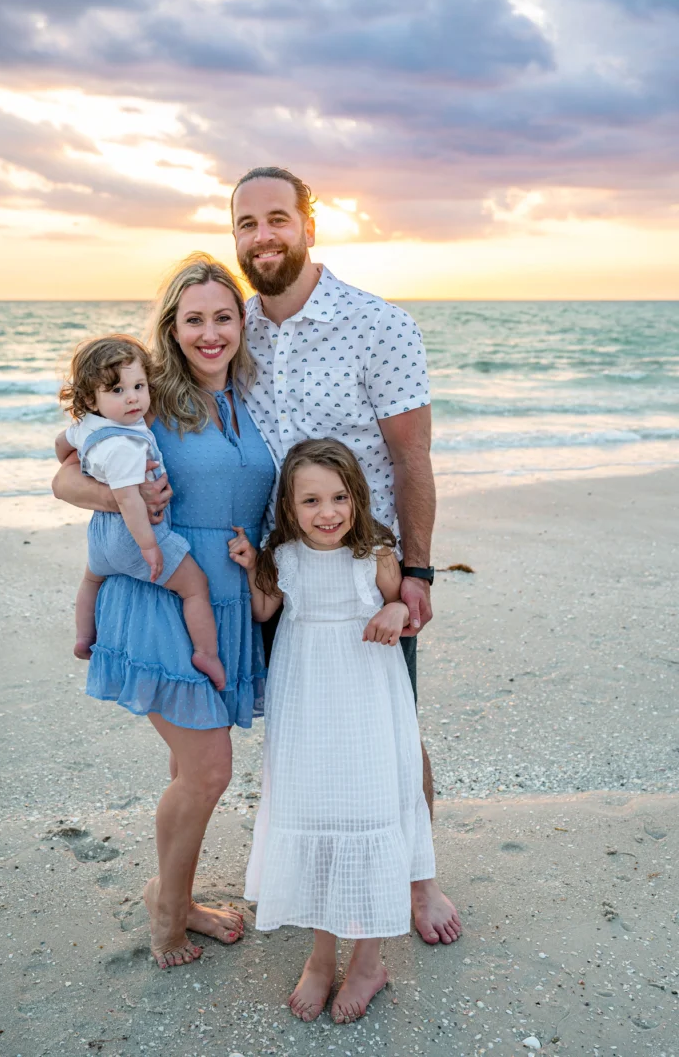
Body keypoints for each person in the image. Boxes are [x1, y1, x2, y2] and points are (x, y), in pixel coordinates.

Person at [231, 165, 462, 947]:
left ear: (308, 224)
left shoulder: (379, 324)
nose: (262, 236)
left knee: (392, 729)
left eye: (276, 219)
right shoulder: (235, 333)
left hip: (369, 572)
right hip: (284, 573)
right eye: (246, 224)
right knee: (306, 730)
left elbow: (412, 456)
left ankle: (417, 880)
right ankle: (322, 877)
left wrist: (419, 571)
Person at [51, 255, 276, 968]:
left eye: (224, 316)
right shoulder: (148, 400)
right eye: (194, 319)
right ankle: (169, 912)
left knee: (199, 767)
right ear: (171, 328)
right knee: (207, 771)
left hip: (231, 598)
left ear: (243, 323)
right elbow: (64, 469)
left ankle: (173, 896)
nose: (211, 333)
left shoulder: (255, 397)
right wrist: (122, 498)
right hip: (161, 596)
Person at [228, 438, 436, 1023]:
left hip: (367, 696)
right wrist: (250, 567)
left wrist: (395, 612)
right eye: (311, 500)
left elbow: (400, 608)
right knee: (315, 809)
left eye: (340, 497)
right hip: (307, 698)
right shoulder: (284, 557)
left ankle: (368, 961)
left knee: (367, 809)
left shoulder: (376, 551)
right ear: (289, 508)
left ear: (356, 496)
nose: (328, 512)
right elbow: (265, 612)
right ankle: (321, 958)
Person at [56, 333, 224, 692]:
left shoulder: (87, 427)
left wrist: (80, 462)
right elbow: (130, 500)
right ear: (91, 398)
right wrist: (149, 545)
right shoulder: (126, 444)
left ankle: (84, 637)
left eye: (138, 386)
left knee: (91, 580)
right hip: (136, 535)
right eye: (116, 390)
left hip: (101, 537)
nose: (132, 397)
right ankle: (206, 652)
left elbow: (62, 444)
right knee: (194, 588)